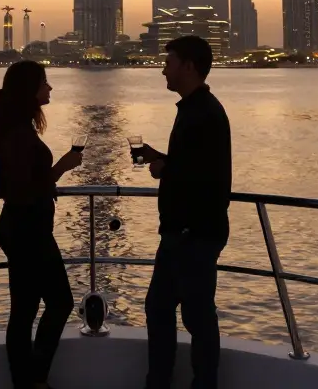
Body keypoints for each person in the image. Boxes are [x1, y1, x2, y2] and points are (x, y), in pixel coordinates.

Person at [135, 36, 232, 389]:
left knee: (195, 316)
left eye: (170, 62)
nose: (164, 69)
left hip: (194, 233)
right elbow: (195, 166)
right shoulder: (197, 110)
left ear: (188, 66)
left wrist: (164, 168)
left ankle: (199, 384)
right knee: (161, 310)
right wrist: (160, 158)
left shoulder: (203, 113)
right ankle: (160, 381)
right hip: (182, 231)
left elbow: (201, 177)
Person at [0, 60, 82, 389]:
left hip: (22, 228)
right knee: (60, 303)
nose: (50, 87)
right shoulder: (18, 134)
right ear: (30, 89)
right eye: (44, 82)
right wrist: (62, 167)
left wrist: (54, 173)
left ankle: (26, 381)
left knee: (25, 310)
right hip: (28, 230)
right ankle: (33, 379)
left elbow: (22, 185)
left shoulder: (18, 128)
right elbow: (20, 190)